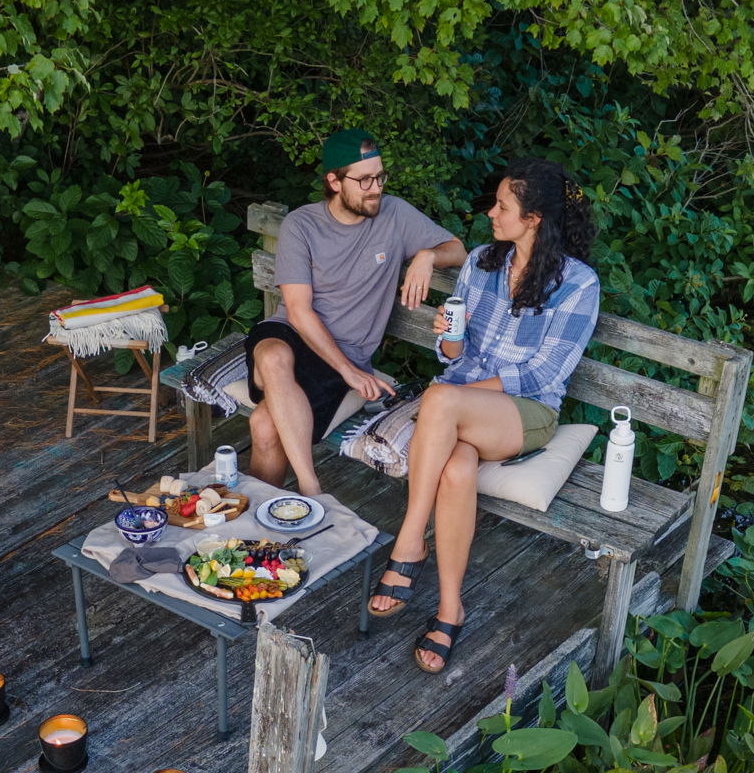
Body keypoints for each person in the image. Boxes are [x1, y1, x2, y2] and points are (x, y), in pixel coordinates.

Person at [367, 158, 600, 673]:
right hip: (462, 406)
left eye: (503, 206)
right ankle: (451, 608)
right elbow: (452, 352)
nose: (491, 213)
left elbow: (544, 371)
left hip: (526, 411)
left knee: (440, 401)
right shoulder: (481, 262)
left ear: (534, 218)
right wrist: (448, 340)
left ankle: (410, 540)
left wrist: (462, 391)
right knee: (456, 466)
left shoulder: (578, 283)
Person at [246, 127, 467, 494]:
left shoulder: (394, 215)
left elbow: (457, 249)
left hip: (345, 350)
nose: (376, 187)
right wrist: (349, 373)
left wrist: (427, 256)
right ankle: (311, 487)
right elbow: (298, 313)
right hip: (293, 334)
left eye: (380, 176)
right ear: (334, 181)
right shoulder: (302, 225)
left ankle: (265, 522)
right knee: (271, 355)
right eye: (364, 180)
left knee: (264, 425)